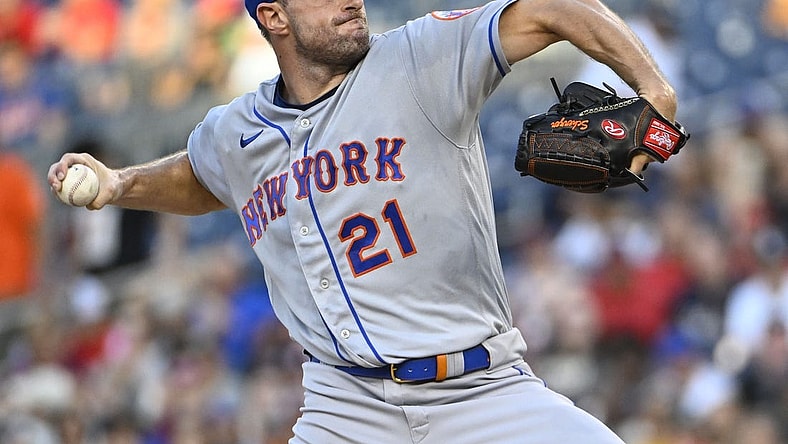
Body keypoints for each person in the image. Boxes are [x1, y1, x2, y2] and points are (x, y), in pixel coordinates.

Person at [48, 1, 679, 442]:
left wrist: (656, 89)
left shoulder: (421, 58)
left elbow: (550, 6)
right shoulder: (234, 132)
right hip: (344, 411)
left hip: (480, 392)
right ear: (274, 17)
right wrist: (120, 183)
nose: (351, 0)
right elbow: (204, 175)